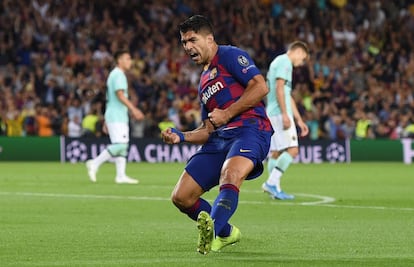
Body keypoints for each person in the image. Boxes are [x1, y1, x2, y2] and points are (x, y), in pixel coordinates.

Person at [161, 15, 273, 255]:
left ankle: (211, 230)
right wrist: (180, 137)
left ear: (209, 39)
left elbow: (261, 86)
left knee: (230, 174)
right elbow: (208, 128)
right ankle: (226, 233)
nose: (188, 47)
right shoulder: (203, 80)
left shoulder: (230, 55)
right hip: (220, 139)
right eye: (183, 42)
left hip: (250, 129)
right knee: (181, 197)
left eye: (192, 39)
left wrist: (228, 112)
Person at [86, 49, 144, 184]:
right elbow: (119, 95)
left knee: (122, 145)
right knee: (121, 145)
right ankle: (94, 163)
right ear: (120, 60)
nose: (130, 62)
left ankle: (120, 176)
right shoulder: (118, 75)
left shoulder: (114, 74)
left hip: (115, 115)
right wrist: (134, 109)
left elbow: (109, 99)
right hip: (117, 116)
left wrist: (106, 119)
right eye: (128, 59)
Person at [262, 41, 310, 200]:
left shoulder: (278, 62)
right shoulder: (285, 62)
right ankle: (271, 183)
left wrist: (299, 119)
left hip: (273, 111)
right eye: (303, 58)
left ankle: (275, 188)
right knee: (293, 149)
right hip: (278, 112)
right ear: (298, 51)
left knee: (276, 152)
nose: (301, 63)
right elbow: (279, 88)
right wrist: (284, 114)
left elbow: (287, 95)